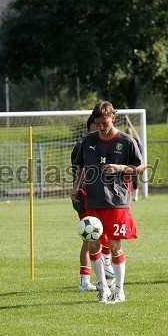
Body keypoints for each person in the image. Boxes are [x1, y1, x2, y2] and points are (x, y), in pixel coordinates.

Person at [71, 100, 144, 304]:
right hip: (93, 200)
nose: (103, 126)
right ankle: (103, 289)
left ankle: (119, 291)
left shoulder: (126, 141)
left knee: (114, 245)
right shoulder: (88, 141)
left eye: (106, 122)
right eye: (99, 123)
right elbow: (80, 167)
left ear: (113, 117)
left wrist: (119, 168)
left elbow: (140, 168)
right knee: (94, 245)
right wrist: (76, 187)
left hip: (117, 201)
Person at [71, 114, 115, 292]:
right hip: (85, 195)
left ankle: (87, 280)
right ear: (91, 127)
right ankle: (100, 275)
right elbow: (79, 170)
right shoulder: (85, 145)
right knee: (92, 235)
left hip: (95, 194)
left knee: (91, 237)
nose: (100, 129)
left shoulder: (98, 143)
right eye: (96, 126)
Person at [125, 127, 143, 201]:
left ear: (132, 132)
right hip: (125, 163)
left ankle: (136, 196)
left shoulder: (136, 141)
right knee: (125, 179)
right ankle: (127, 195)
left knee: (134, 179)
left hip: (133, 163)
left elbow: (139, 152)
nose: (128, 133)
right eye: (127, 132)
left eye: (129, 132)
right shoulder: (123, 140)